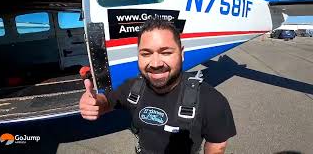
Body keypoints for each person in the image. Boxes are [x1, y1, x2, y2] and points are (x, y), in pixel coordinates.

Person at [79, 19, 236, 154]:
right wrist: (95, 103)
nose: (155, 64)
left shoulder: (212, 101)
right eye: (146, 54)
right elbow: (107, 102)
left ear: (181, 53)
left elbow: (217, 146)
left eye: (166, 52)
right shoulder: (132, 87)